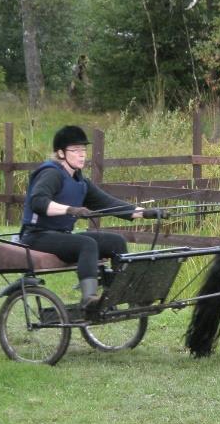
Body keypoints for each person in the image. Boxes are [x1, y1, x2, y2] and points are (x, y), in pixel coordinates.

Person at [20, 125, 167, 307]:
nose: (82, 154)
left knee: (115, 241)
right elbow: (38, 202)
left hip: (60, 236)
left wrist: (144, 213)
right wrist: (71, 210)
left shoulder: (80, 181)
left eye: (83, 150)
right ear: (60, 153)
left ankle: (125, 292)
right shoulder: (51, 174)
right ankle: (89, 299)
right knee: (87, 244)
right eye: (75, 150)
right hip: (36, 236)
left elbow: (108, 204)